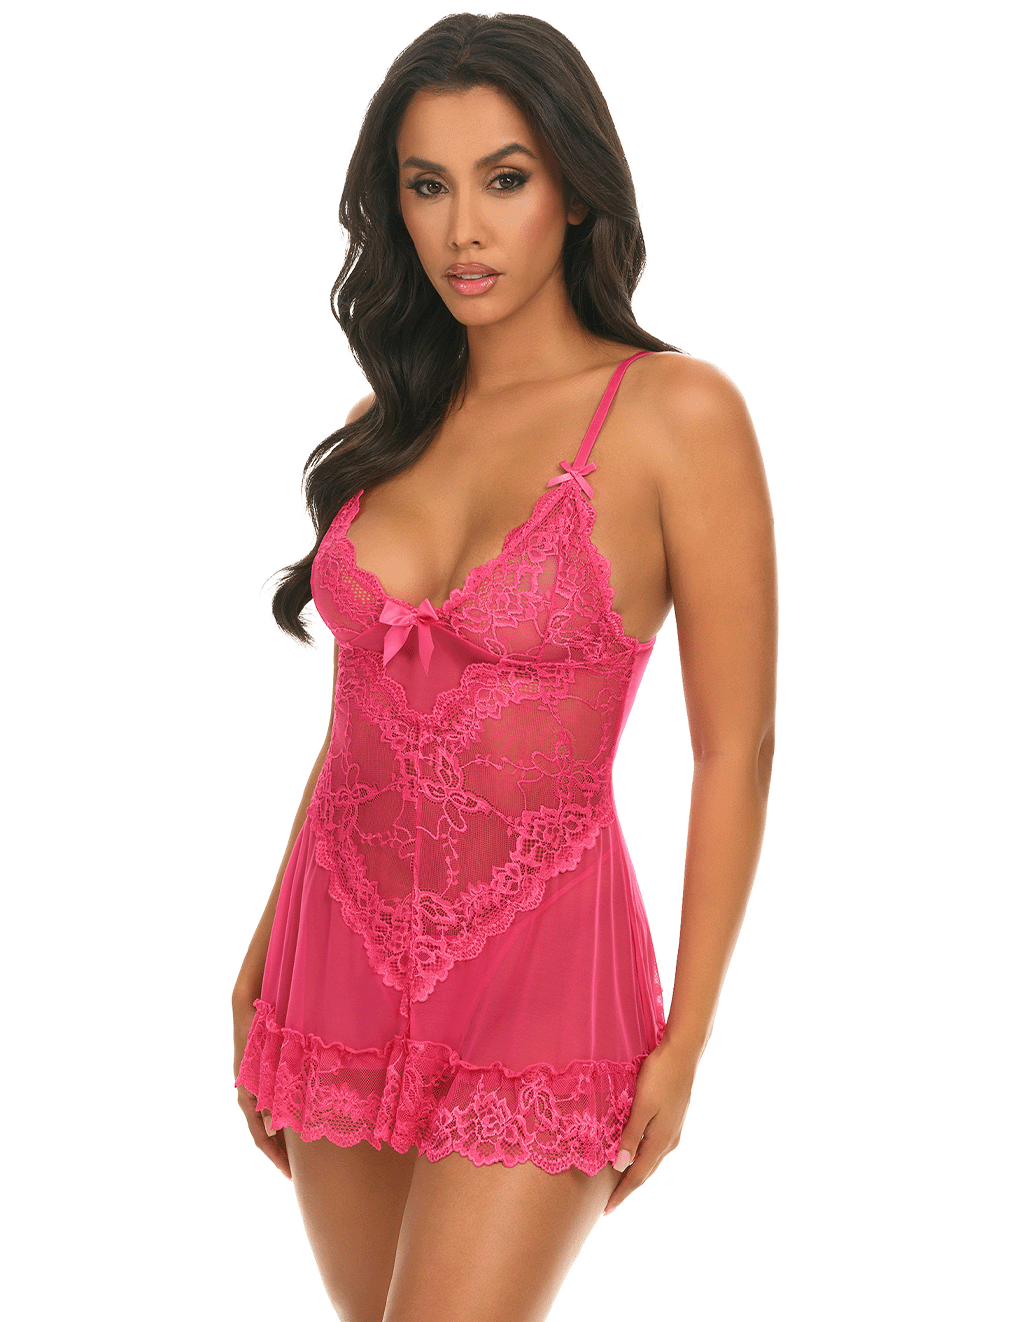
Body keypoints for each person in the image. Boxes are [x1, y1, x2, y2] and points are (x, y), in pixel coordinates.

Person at [232, 12, 776, 1322]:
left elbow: (734, 748)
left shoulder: (674, 413)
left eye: (505, 178)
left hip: (546, 982)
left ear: (576, 192)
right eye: (427, 185)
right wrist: (260, 953)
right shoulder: (382, 427)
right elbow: (361, 718)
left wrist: (687, 1038)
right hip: (335, 961)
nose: (463, 230)